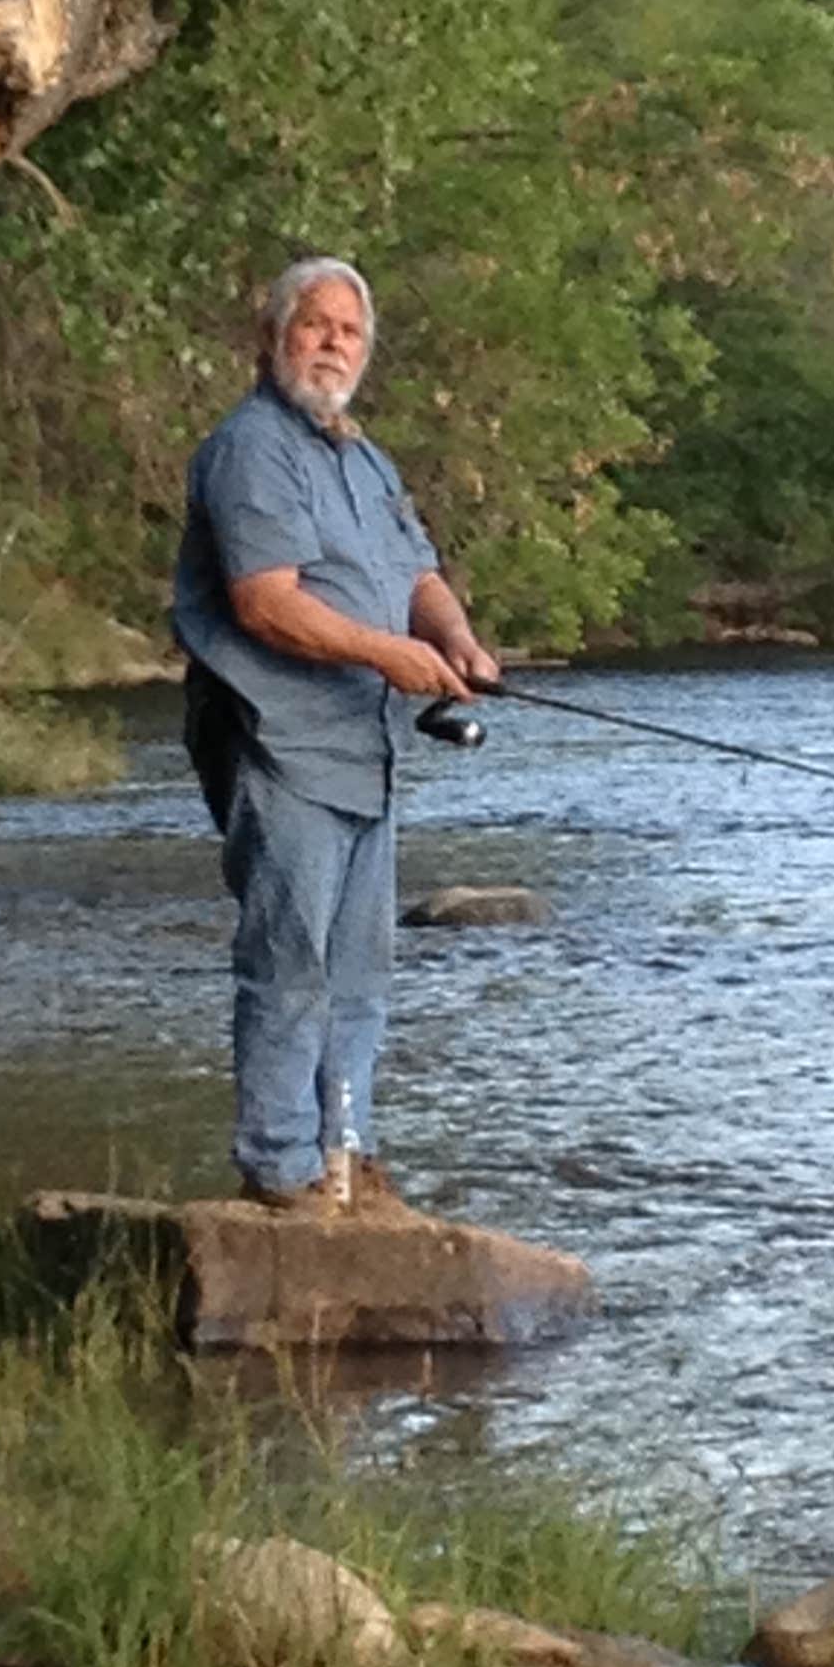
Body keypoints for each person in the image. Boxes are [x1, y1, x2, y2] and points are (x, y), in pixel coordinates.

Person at [172, 257, 499, 1211]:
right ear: (274, 335)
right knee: (290, 962)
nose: (333, 344)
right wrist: (388, 655)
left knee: (361, 968)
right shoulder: (249, 449)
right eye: (315, 326)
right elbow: (265, 605)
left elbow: (417, 573)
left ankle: (345, 1156)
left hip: (369, 749)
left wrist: (457, 641)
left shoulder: (364, 458)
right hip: (278, 740)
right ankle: (279, 1170)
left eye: (349, 332)